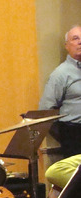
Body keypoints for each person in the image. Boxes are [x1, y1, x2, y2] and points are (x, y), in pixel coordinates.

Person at [39, 25, 81, 158]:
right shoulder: (61, 74)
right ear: (66, 45)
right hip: (74, 135)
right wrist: (64, 135)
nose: (80, 41)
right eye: (75, 38)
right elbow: (45, 111)